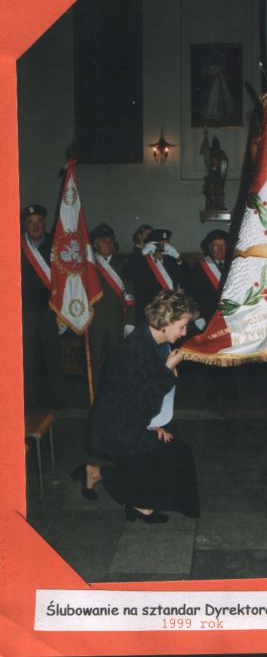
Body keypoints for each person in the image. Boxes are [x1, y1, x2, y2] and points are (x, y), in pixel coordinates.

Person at [73, 289, 200, 524]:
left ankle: (95, 472)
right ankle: (139, 504)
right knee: (171, 454)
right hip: (115, 428)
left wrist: (154, 424)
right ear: (167, 321)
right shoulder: (135, 350)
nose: (184, 333)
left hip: (131, 419)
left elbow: (141, 400)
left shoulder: (152, 341)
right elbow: (139, 401)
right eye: (182, 326)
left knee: (174, 451)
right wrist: (167, 370)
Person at [20, 204, 64, 407]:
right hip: (25, 311)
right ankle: (28, 400)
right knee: (27, 358)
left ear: (44, 223)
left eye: (39, 221)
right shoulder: (16, 246)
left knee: (52, 356)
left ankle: (57, 398)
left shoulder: (56, 244)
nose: (35, 226)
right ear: (25, 225)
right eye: (30, 222)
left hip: (50, 311)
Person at [89, 223, 135, 387]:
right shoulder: (89, 265)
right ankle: (98, 394)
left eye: (110, 240)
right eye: (103, 241)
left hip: (117, 322)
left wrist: (130, 322)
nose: (108, 244)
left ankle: (115, 393)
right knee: (97, 362)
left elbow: (130, 296)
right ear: (95, 244)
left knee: (116, 362)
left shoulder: (123, 265)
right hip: (95, 323)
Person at [127, 228, 189, 324]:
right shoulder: (143, 262)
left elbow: (187, 276)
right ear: (151, 245)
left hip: (171, 311)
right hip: (151, 312)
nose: (162, 248)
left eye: (165, 244)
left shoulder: (171, 260)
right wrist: (143, 254)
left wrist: (178, 257)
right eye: (159, 244)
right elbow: (129, 274)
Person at [189, 229, 229, 323]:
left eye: (223, 245)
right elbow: (195, 296)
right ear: (210, 247)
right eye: (216, 246)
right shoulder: (199, 267)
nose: (220, 249)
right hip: (208, 316)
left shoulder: (235, 265)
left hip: (231, 313)